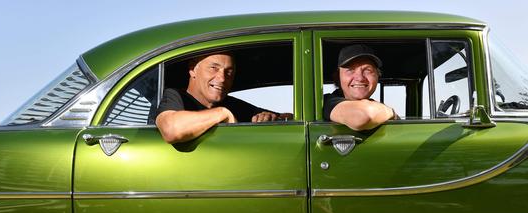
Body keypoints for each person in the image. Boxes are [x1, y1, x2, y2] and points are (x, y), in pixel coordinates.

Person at [156, 52, 291, 143]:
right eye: (214, 68)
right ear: (193, 70)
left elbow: (291, 118)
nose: (222, 78)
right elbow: (171, 129)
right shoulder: (175, 96)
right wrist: (222, 113)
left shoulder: (233, 104)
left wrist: (273, 118)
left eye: (229, 72)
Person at [323, 44, 398, 130]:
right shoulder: (328, 102)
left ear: (378, 76)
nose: (360, 78)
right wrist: (391, 112)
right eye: (350, 70)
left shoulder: (374, 106)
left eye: (367, 70)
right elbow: (361, 116)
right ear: (338, 77)